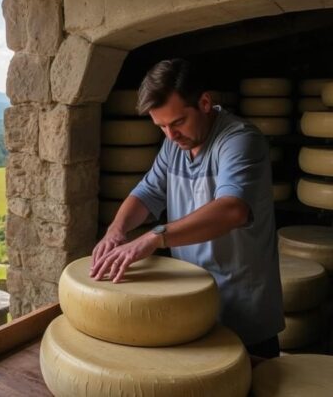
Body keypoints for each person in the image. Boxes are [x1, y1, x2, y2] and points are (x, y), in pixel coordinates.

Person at [90, 59, 284, 358]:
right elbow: (148, 191)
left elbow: (232, 209)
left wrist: (155, 236)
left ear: (205, 103)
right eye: (161, 126)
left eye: (177, 122)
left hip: (241, 310)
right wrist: (116, 230)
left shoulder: (240, 140)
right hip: (191, 304)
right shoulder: (174, 144)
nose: (170, 134)